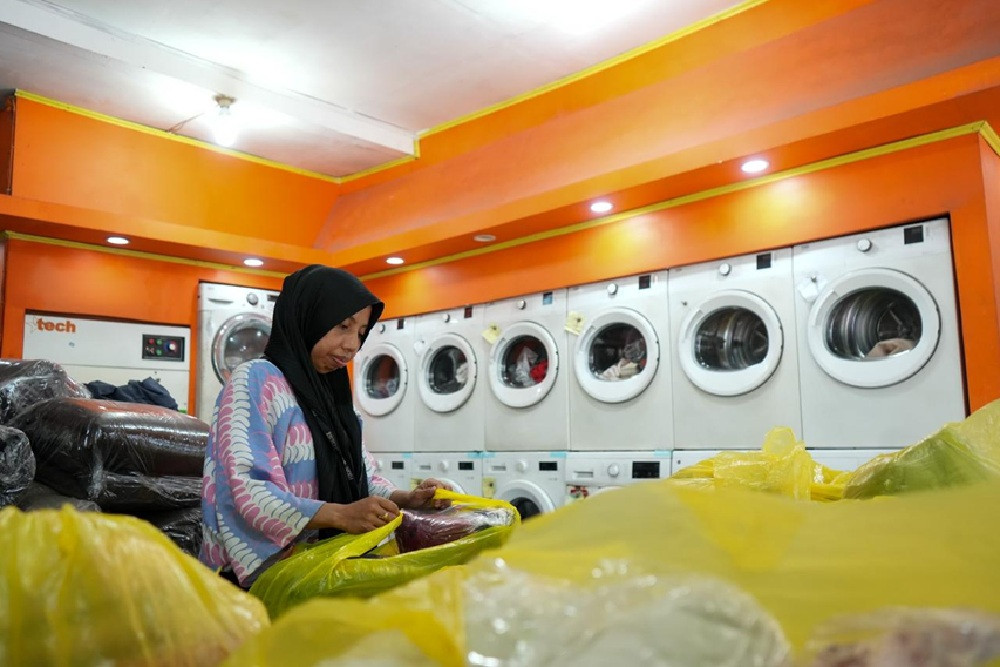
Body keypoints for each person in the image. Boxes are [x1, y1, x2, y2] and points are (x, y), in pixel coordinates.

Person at [200, 265, 447, 587]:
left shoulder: (332, 395)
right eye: (343, 326)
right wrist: (340, 515)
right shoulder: (257, 380)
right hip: (257, 583)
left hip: (321, 566)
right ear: (309, 317)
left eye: (361, 333)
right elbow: (246, 489)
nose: (352, 345)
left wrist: (407, 498)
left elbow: (360, 476)